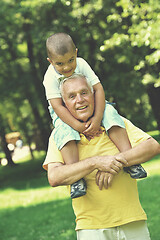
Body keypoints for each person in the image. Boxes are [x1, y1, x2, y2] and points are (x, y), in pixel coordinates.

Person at [43, 74, 160, 240]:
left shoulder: (115, 123)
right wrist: (95, 163)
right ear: (65, 105)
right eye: (72, 96)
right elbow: (54, 177)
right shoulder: (60, 135)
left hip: (133, 220)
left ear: (94, 96)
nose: (79, 100)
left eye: (84, 93)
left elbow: (152, 147)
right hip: (91, 228)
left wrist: (113, 163)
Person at [43, 33, 146, 198]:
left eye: (71, 60)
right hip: (63, 111)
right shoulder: (50, 77)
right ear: (50, 61)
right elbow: (57, 106)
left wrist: (98, 118)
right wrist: (77, 126)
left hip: (91, 103)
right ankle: (76, 178)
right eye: (60, 64)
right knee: (64, 132)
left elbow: (98, 89)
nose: (67, 67)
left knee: (111, 112)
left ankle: (130, 161)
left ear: (76, 53)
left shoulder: (82, 64)